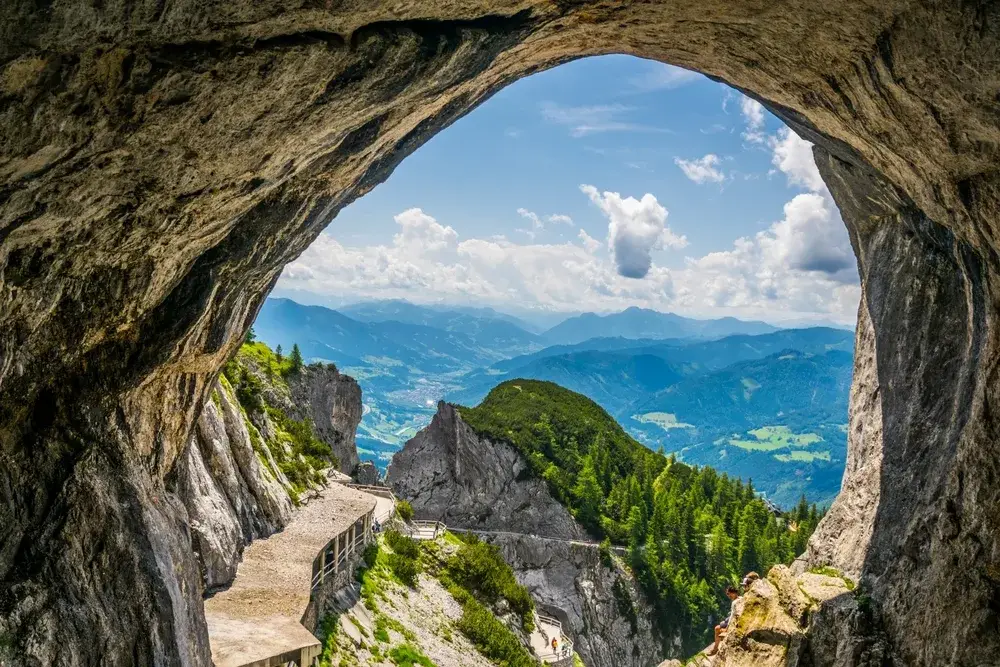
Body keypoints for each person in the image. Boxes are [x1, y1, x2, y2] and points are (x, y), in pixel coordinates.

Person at [707, 585, 740, 656]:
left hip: (732, 621)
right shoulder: (741, 598)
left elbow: (732, 616)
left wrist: (727, 628)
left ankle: (715, 649)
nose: (728, 596)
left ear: (733, 593)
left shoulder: (734, 602)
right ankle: (715, 648)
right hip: (733, 619)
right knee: (722, 623)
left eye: (728, 594)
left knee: (717, 628)